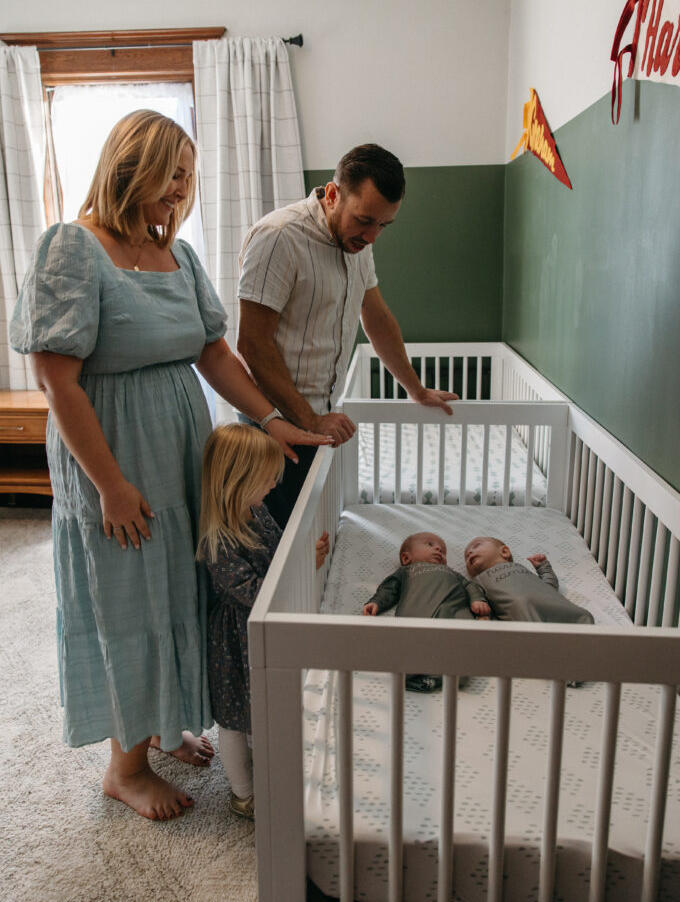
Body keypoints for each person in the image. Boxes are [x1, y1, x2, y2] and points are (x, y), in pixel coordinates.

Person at [10, 110, 331, 822]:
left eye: (190, 176)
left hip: (181, 450)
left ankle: (157, 724)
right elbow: (58, 382)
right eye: (173, 173)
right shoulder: (73, 246)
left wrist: (273, 420)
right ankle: (124, 768)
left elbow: (214, 352)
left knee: (182, 589)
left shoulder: (176, 258)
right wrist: (112, 488)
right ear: (132, 166)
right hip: (113, 456)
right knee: (129, 597)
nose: (183, 189)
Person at [237, 143, 457, 528]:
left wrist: (416, 389)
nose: (372, 236)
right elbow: (252, 343)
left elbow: (376, 317)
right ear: (333, 194)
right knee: (282, 556)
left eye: (383, 226)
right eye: (365, 220)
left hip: (317, 421)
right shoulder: (278, 237)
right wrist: (310, 419)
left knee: (314, 546)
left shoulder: (357, 243)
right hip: (274, 427)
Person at [198, 423, 329, 819]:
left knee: (263, 710)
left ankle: (269, 775)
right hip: (237, 637)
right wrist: (301, 566)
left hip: (262, 625)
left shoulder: (258, 510)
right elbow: (254, 591)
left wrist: (307, 553)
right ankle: (242, 792)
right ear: (237, 482)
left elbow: (279, 551)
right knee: (236, 720)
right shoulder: (217, 539)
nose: (273, 486)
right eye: (266, 480)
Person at [362, 531, 490, 691]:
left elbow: (470, 586)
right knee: (411, 645)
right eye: (430, 544)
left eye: (443, 551)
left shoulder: (453, 573)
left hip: (454, 609)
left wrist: (478, 600)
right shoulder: (407, 571)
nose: (438, 550)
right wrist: (376, 602)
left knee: (463, 645)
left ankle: (449, 676)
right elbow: (389, 588)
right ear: (406, 558)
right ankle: (415, 676)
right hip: (419, 611)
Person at [463, 537, 595, 623]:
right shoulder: (478, 580)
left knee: (582, 615)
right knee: (524, 612)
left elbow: (548, 586)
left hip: (550, 600)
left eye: (476, 546)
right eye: (466, 557)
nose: (469, 553)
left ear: (504, 552)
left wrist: (543, 567)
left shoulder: (521, 568)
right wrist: (482, 614)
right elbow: (478, 599)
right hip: (523, 609)